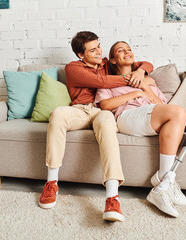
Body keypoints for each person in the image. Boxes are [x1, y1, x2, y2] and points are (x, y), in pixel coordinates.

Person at [38, 32, 154, 222]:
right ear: (80, 55)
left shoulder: (107, 64)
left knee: (107, 123)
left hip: (104, 109)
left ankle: (112, 197)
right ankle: (51, 183)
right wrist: (133, 80)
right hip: (81, 111)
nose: (99, 52)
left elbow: (146, 64)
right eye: (92, 50)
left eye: (99, 46)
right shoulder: (72, 67)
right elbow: (100, 82)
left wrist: (141, 72)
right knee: (58, 113)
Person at [94, 41, 186, 218]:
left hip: (149, 115)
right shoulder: (108, 82)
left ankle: (164, 182)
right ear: (113, 60)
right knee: (178, 112)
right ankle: (164, 181)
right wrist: (136, 93)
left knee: (176, 116)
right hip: (127, 117)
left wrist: (145, 87)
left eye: (129, 49)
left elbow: (162, 106)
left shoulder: (148, 82)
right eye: (120, 51)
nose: (127, 51)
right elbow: (105, 105)